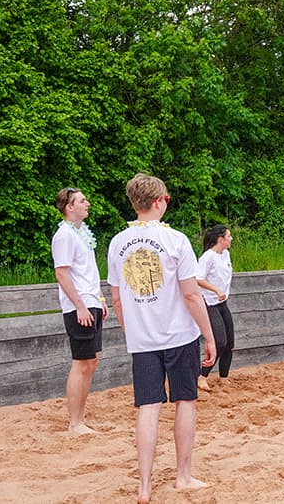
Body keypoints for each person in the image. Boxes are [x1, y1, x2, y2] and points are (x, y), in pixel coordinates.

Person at [106, 173, 217, 502]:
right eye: (166, 199)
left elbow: (115, 298)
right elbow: (192, 296)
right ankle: (183, 476)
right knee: (185, 401)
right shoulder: (176, 240)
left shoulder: (117, 243)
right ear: (158, 202)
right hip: (178, 335)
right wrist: (209, 336)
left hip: (143, 340)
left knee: (148, 408)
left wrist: (132, 333)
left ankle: (144, 485)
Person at [51, 187, 107, 435]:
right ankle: (75, 422)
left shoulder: (82, 233)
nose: (88, 203)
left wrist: (100, 298)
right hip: (79, 306)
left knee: (92, 361)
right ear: (69, 207)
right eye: (82, 201)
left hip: (91, 301)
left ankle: (80, 417)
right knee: (81, 362)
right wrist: (80, 306)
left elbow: (87, 271)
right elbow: (62, 273)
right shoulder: (64, 235)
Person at [196, 225, 236, 391]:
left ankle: (224, 377)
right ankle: (202, 375)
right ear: (221, 239)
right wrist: (216, 289)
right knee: (219, 341)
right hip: (209, 302)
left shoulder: (225, 254)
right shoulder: (208, 257)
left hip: (222, 303)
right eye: (229, 236)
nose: (231, 238)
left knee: (230, 343)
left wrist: (222, 292)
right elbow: (198, 279)